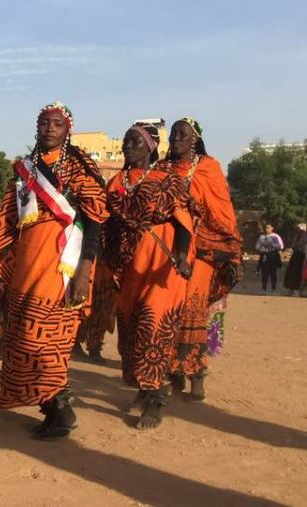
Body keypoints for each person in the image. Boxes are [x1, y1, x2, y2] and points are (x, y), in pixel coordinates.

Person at [0, 102, 108, 440]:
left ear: (67, 129)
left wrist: (84, 269)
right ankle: (51, 407)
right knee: (21, 338)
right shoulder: (25, 168)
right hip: (26, 263)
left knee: (46, 342)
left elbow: (95, 220)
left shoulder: (78, 165)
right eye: (44, 123)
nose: (49, 129)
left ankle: (61, 409)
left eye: (57, 124)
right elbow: (8, 218)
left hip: (62, 264)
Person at [102, 124, 193, 429]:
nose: (127, 146)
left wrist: (182, 255)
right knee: (131, 330)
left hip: (161, 263)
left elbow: (183, 222)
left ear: (151, 147)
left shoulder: (168, 180)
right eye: (126, 141)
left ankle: (156, 400)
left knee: (152, 327)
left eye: (135, 142)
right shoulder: (116, 182)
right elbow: (107, 225)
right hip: (129, 267)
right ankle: (143, 389)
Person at [161, 117, 242, 401]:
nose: (176, 138)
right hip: (168, 248)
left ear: (195, 139)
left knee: (193, 310)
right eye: (173, 134)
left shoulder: (209, 167)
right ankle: (172, 371)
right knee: (169, 309)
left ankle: (196, 373)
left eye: (182, 134)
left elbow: (222, 211)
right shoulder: (161, 169)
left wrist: (193, 211)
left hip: (203, 249)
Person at [72, 260, 116, 364]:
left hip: (109, 265)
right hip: (92, 264)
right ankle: (75, 341)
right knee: (85, 303)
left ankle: (94, 346)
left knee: (103, 307)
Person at [255, 223, 284, 294]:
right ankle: (264, 289)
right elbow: (257, 246)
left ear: (272, 228)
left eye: (268, 227)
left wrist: (272, 244)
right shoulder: (261, 237)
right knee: (264, 273)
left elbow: (281, 246)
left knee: (273, 273)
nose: (266, 229)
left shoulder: (275, 236)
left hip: (273, 255)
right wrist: (262, 247)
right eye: (266, 228)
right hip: (264, 255)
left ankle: (273, 289)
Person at [284, 223, 307, 296]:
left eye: (299, 229)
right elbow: (294, 245)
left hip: (303, 256)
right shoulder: (297, 236)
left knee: (301, 273)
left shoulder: (304, 236)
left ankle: (298, 290)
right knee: (293, 272)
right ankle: (292, 289)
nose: (298, 230)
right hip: (296, 255)